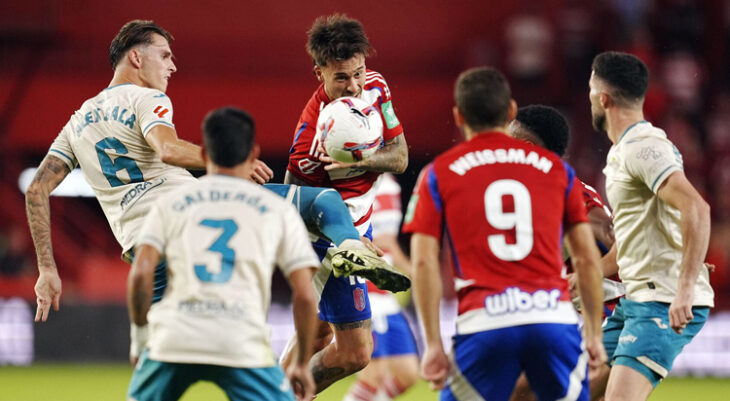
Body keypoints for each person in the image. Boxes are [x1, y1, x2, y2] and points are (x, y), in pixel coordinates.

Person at [25, 19, 274, 326]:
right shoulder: (146, 98)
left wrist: (47, 269)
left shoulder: (76, 123)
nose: (172, 67)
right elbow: (167, 149)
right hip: (188, 221)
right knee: (316, 204)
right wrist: (232, 163)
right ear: (137, 58)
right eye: (165, 55)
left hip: (145, 249)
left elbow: (36, 188)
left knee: (160, 353)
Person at [404, 67, 607, 401]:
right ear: (510, 110)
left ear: (458, 115)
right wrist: (595, 335)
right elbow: (585, 257)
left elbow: (424, 261)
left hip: (485, 323)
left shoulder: (438, 173)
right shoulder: (558, 171)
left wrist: (433, 346)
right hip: (551, 319)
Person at [127, 107, 319, 401]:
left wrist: (140, 340)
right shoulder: (277, 210)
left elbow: (141, 274)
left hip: (175, 337)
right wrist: (303, 363)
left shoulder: (169, 204)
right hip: (241, 340)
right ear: (253, 153)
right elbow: (305, 295)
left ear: (204, 154)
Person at [282, 14, 410, 392]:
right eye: (341, 77)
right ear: (318, 71)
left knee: (320, 335)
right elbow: (295, 203)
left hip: (358, 231)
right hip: (327, 243)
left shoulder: (376, 85)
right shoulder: (309, 141)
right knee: (356, 353)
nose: (355, 85)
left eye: (359, 72)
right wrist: (346, 239)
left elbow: (400, 157)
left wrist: (361, 162)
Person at [589, 51, 713, 401]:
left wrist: (685, 287)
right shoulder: (625, 150)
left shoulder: (643, 147)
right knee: (572, 391)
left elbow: (697, 208)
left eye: (590, 91)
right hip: (637, 299)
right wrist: (585, 275)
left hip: (660, 301)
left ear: (603, 98)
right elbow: (631, 243)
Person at [507, 105, 621, 401]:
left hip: (604, 312)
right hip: (556, 311)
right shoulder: (519, 195)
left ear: (526, 149)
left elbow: (628, 247)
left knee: (521, 388)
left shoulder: (575, 196)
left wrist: (589, 273)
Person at [343, 173, 420, 401]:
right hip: (363, 290)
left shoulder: (390, 185)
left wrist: (409, 271)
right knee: (372, 375)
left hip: (385, 296)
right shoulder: (353, 182)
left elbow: (389, 242)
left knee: (408, 373)